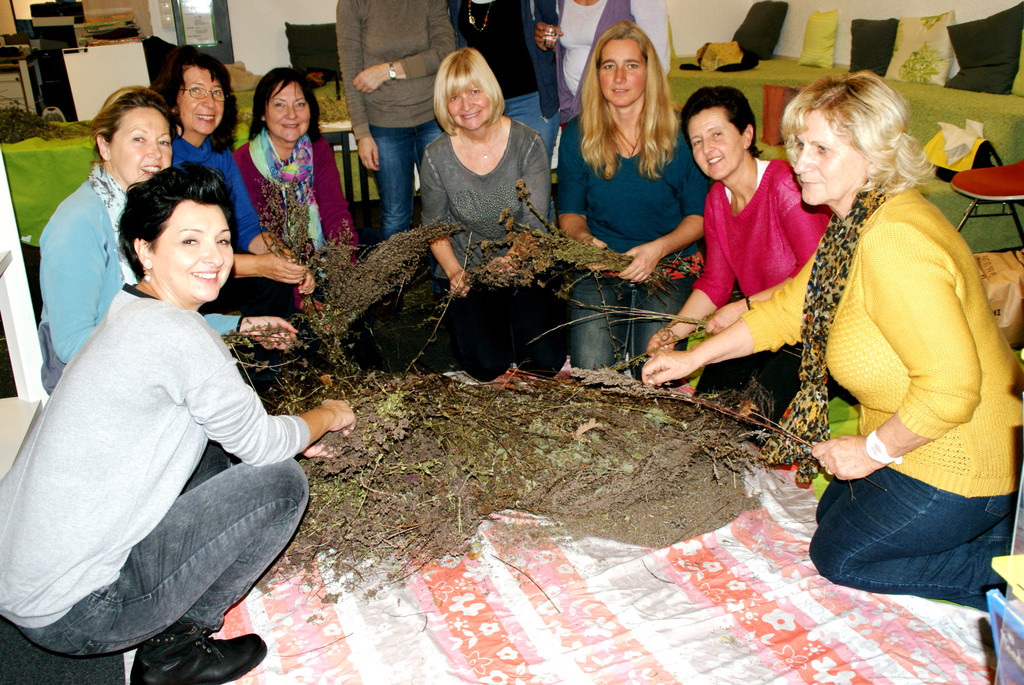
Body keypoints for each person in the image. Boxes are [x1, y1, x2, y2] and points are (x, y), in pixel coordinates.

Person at [642, 71, 1023, 611]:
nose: (800, 161)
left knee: (841, 556)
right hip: (920, 443)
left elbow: (952, 389)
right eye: (799, 144)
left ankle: (1008, 570)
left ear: (873, 152)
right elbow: (786, 311)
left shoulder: (893, 240)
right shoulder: (854, 223)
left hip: (964, 461)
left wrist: (870, 451)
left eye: (822, 148)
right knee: (832, 512)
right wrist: (693, 357)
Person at [0, 165, 356, 684]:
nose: (213, 257)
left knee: (217, 450)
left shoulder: (130, 307)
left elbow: (235, 429)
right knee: (281, 483)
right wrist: (327, 415)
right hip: (76, 614)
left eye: (222, 240)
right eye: (190, 241)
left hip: (19, 575)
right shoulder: (180, 336)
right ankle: (174, 653)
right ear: (145, 250)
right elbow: (262, 445)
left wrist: (292, 437)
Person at [35, 86, 293, 393]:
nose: (155, 154)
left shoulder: (146, 211)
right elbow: (72, 345)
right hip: (96, 389)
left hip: (146, 368)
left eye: (163, 141)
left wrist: (242, 326)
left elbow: (167, 318)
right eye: (138, 139)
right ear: (105, 146)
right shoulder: (79, 222)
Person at [646, 86, 829, 422]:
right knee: (706, 412)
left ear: (746, 135)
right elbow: (715, 283)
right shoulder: (717, 199)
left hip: (808, 329)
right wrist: (674, 332)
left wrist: (744, 306)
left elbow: (817, 279)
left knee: (752, 419)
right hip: (758, 323)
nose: (707, 149)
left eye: (717, 134)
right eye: (697, 141)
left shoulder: (785, 183)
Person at [557, 21, 706, 371]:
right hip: (602, 266)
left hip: (669, 264)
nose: (620, 77)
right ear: (597, 75)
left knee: (650, 371)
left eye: (632, 65)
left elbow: (699, 218)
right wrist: (584, 241)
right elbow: (569, 214)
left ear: (648, 73)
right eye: (609, 66)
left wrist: (658, 250)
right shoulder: (577, 133)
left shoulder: (680, 131)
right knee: (593, 374)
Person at [421, 48, 566, 381]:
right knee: (486, 366)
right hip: (470, 270)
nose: (466, 104)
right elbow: (434, 228)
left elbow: (535, 225)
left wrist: (511, 260)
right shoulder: (435, 156)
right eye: (454, 97)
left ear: (490, 90)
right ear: (444, 105)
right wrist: (454, 272)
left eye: (474, 91)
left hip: (526, 260)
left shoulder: (527, 143)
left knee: (543, 361)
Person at [152, 46, 313, 317]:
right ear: (171, 101)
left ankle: (278, 341)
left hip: (219, 255)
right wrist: (262, 266)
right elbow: (183, 250)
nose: (209, 103)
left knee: (277, 278)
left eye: (217, 93)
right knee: (266, 278)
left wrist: (285, 258)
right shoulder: (162, 156)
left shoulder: (220, 154)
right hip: (180, 268)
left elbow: (246, 223)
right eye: (196, 91)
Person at [234, 67, 357, 307]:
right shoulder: (243, 160)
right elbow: (259, 236)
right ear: (262, 113)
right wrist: (301, 299)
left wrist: (344, 272)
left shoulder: (317, 148)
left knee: (370, 244)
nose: (292, 115)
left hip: (318, 253)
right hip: (276, 267)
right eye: (279, 105)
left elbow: (335, 212)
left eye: (300, 104)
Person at [337, 0, 454, 239]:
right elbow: (351, 73)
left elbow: (445, 52)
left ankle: (446, 266)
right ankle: (395, 267)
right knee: (395, 216)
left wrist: (387, 71)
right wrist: (361, 133)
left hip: (434, 117)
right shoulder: (353, 3)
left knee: (442, 212)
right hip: (384, 124)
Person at [448, 0, 560, 158]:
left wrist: (548, 37)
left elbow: (558, 31)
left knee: (532, 172)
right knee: (487, 173)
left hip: (531, 102)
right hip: (481, 107)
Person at [534, 0, 669, 125]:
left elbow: (658, 63)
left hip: (620, 112)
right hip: (575, 108)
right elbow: (572, 49)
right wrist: (551, 42)